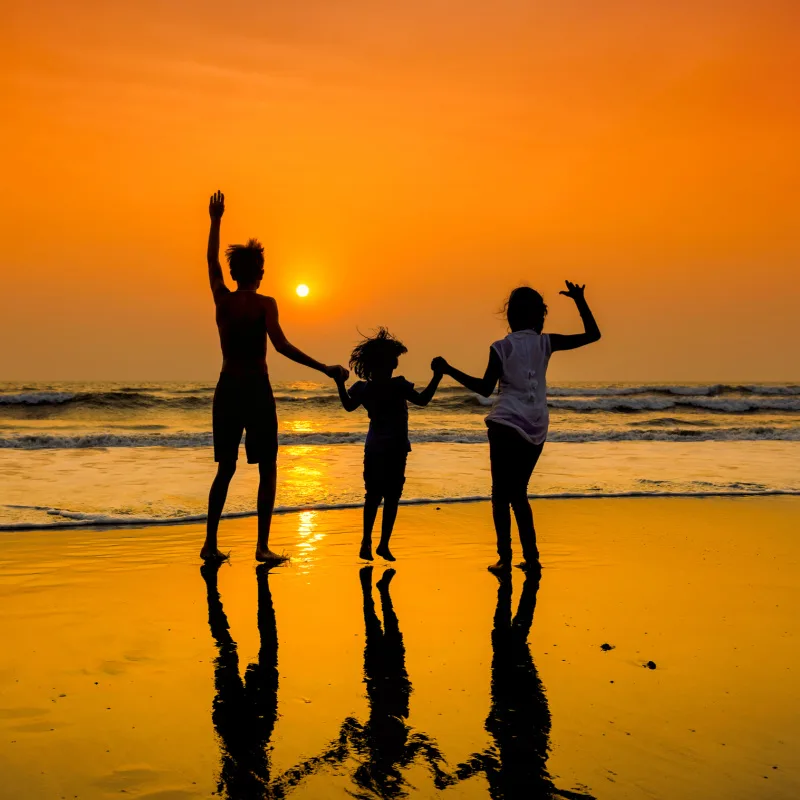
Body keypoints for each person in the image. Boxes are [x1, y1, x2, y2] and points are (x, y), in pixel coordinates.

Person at [201, 191, 348, 563]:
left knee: (226, 468)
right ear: (260, 273)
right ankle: (262, 546)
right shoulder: (266, 304)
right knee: (267, 466)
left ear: (235, 274)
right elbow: (282, 346)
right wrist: (325, 369)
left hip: (227, 388)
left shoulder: (222, 299)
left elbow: (210, 262)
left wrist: (215, 220)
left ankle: (210, 542)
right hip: (255, 390)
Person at [433, 281, 600, 572]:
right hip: (536, 426)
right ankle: (532, 558)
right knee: (519, 492)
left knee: (501, 494)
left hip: (506, 423)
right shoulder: (546, 342)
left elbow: (485, 389)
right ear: (540, 316)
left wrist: (448, 370)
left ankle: (505, 559)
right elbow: (593, 335)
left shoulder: (502, 347)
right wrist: (579, 300)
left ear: (510, 316)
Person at [334, 328, 442, 561]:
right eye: (393, 360)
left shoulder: (364, 388)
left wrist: (340, 383)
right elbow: (423, 400)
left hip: (374, 449)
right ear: (387, 363)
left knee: (373, 496)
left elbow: (348, 406)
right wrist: (437, 377)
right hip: (395, 449)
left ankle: (367, 542)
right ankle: (382, 544)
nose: (395, 364)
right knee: (391, 497)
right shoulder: (398, 386)